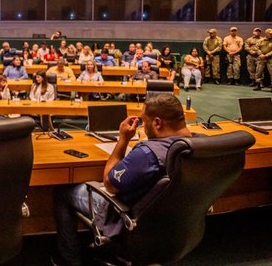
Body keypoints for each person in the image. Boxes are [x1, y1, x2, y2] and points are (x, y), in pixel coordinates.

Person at [53, 94, 192, 266]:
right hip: (176, 224)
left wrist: (123, 140)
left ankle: (69, 260)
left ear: (157, 123)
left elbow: (110, 183)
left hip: (128, 218)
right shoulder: (200, 145)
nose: (143, 126)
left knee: (63, 191)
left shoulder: (148, 154)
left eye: (143, 121)